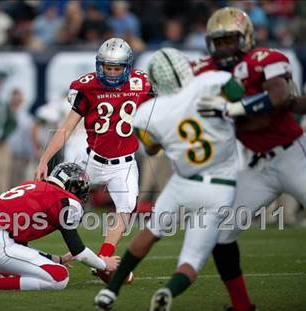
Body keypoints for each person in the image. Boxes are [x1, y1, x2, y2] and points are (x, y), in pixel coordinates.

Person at [95, 48, 245, 311]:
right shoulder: (211, 81)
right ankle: (168, 290)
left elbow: (151, 148)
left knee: (149, 233)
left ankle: (111, 291)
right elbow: (239, 94)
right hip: (220, 185)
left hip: (182, 183)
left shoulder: (149, 110)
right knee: (192, 258)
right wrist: (227, 107)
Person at [192, 7, 306, 311]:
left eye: (230, 40)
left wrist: (233, 109)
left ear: (245, 38)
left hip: (293, 153)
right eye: (218, 42)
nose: (224, 48)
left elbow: (280, 96)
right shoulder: (206, 70)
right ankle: (241, 306)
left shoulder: (264, 58)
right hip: (259, 166)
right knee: (220, 232)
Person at [35, 38, 153, 283]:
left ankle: (102, 260)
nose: (111, 73)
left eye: (116, 68)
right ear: (100, 65)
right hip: (90, 160)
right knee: (53, 199)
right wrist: (44, 159)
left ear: (127, 67)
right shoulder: (87, 86)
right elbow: (66, 128)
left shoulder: (142, 82)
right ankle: (27, 244)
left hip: (124, 164)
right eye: (107, 67)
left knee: (126, 209)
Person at [0, 162, 119, 290]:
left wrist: (57, 259)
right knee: (59, 277)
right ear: (73, 186)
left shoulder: (33, 186)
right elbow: (79, 251)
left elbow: (18, 242)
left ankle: (4, 273)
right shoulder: (64, 200)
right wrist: (104, 264)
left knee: (37, 265)